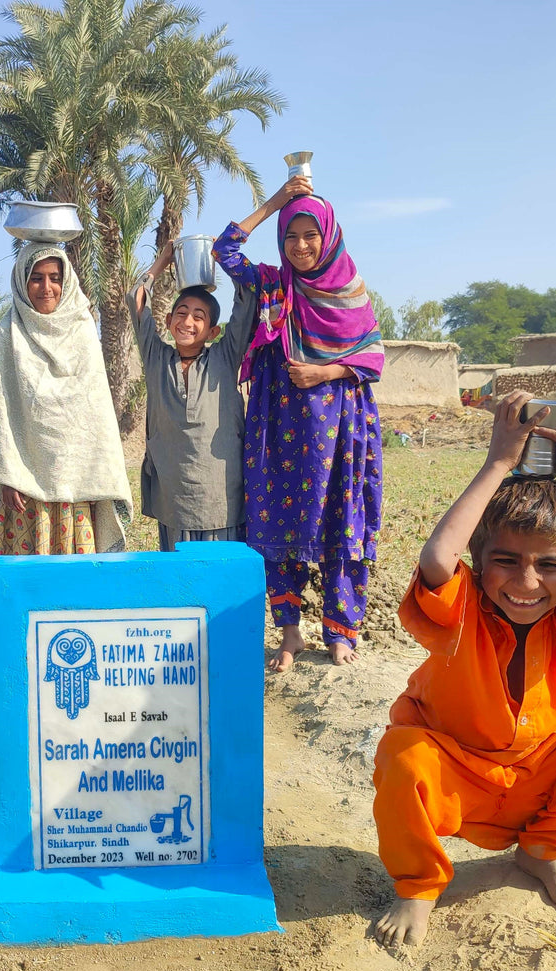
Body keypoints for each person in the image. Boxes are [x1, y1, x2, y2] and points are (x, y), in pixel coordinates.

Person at [372, 391, 556, 949]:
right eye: (506, 560)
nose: (527, 583)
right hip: (456, 780)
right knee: (402, 753)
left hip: (535, 777)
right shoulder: (459, 610)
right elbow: (436, 561)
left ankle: (544, 852)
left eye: (550, 565)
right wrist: (498, 462)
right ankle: (419, 885)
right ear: (479, 565)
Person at [213, 176, 384, 670]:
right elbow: (226, 251)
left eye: (310, 235)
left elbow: (372, 355)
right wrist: (275, 203)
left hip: (340, 427)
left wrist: (325, 370)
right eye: (291, 236)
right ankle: (291, 633)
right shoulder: (273, 283)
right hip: (278, 422)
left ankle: (340, 630)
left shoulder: (349, 289)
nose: (301, 246)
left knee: (340, 520)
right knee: (275, 521)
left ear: (329, 236)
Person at [0, 244, 132, 555]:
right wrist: (7, 474)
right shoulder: (9, 333)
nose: (47, 288)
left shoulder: (82, 329)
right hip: (25, 481)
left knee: (76, 579)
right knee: (30, 582)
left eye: (55, 278)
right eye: (36, 278)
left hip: (80, 481)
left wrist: (100, 474)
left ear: (66, 280)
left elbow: (97, 411)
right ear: (21, 281)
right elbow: (0, 411)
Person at [126, 240, 257, 551]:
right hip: (174, 497)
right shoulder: (157, 357)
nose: (188, 321)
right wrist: (163, 260)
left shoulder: (226, 357)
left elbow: (248, 297)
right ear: (169, 322)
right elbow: (136, 298)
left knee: (219, 579)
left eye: (199, 317)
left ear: (213, 331)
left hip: (220, 497)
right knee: (180, 582)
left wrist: (222, 255)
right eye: (181, 314)